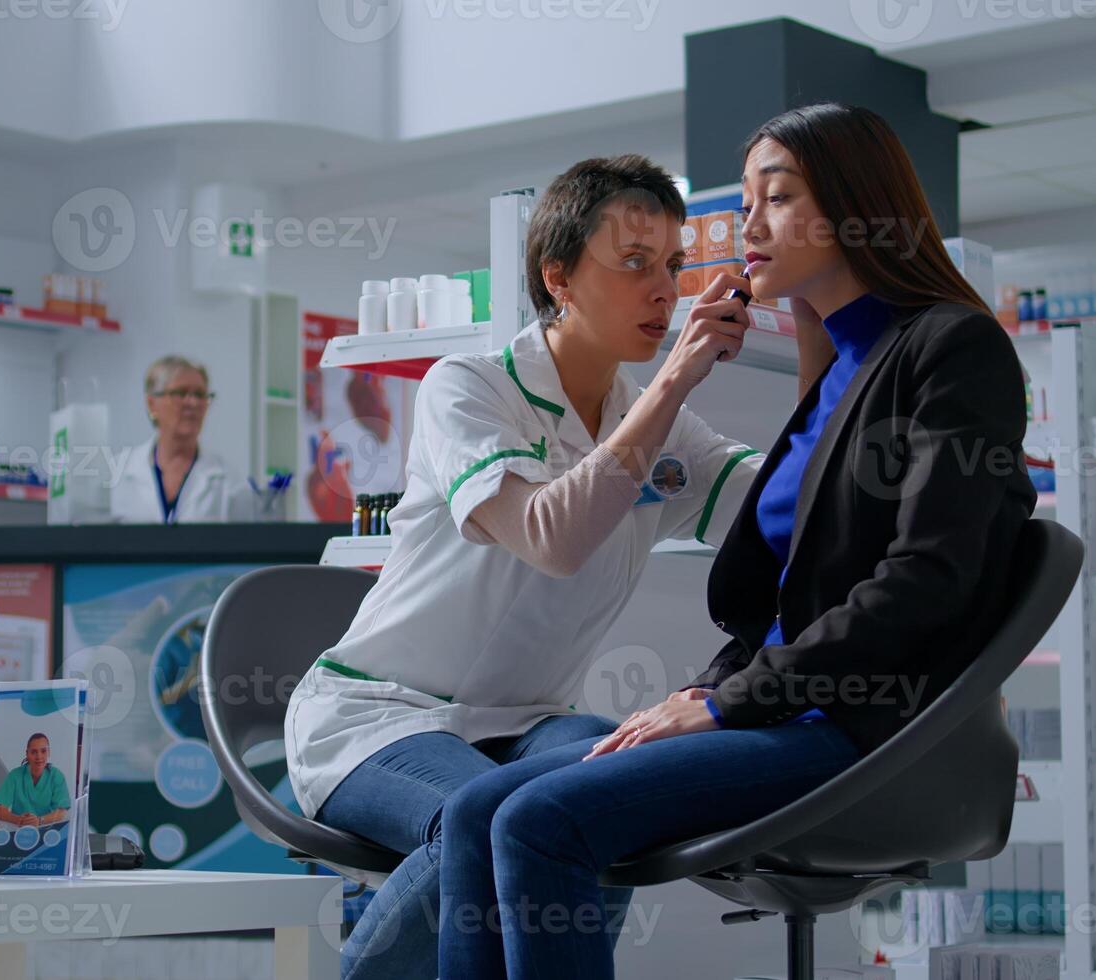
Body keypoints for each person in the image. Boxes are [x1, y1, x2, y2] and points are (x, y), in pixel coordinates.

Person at [436, 103, 1036, 979]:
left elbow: (924, 581)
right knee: (469, 813)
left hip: (873, 727)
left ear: (859, 208)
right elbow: (787, 603)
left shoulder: (952, 346)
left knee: (538, 822)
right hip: (793, 708)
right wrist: (696, 693)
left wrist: (723, 705)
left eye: (778, 198)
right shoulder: (842, 369)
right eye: (746, 201)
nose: (747, 226)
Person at [284, 154, 784, 980]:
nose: (664, 291)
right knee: (481, 823)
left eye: (671, 267)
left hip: (527, 723)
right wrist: (674, 382)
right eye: (633, 264)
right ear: (558, 275)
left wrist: (901, 460)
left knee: (614, 790)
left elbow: (778, 506)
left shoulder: (651, 422)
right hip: (380, 716)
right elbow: (551, 535)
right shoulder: (470, 390)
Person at [110, 355, 235, 524]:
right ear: (152, 403)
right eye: (181, 393)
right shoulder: (118, 472)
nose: (193, 403)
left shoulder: (228, 481)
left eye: (200, 395)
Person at [0, 733, 71, 828]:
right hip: (19, 831)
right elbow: (0, 811)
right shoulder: (15, 776)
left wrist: (39, 821)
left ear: (49, 752)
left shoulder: (56, 776)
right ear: (27, 754)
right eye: (34, 752)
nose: (39, 756)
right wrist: (19, 820)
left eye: (43, 751)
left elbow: (62, 812)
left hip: (48, 832)